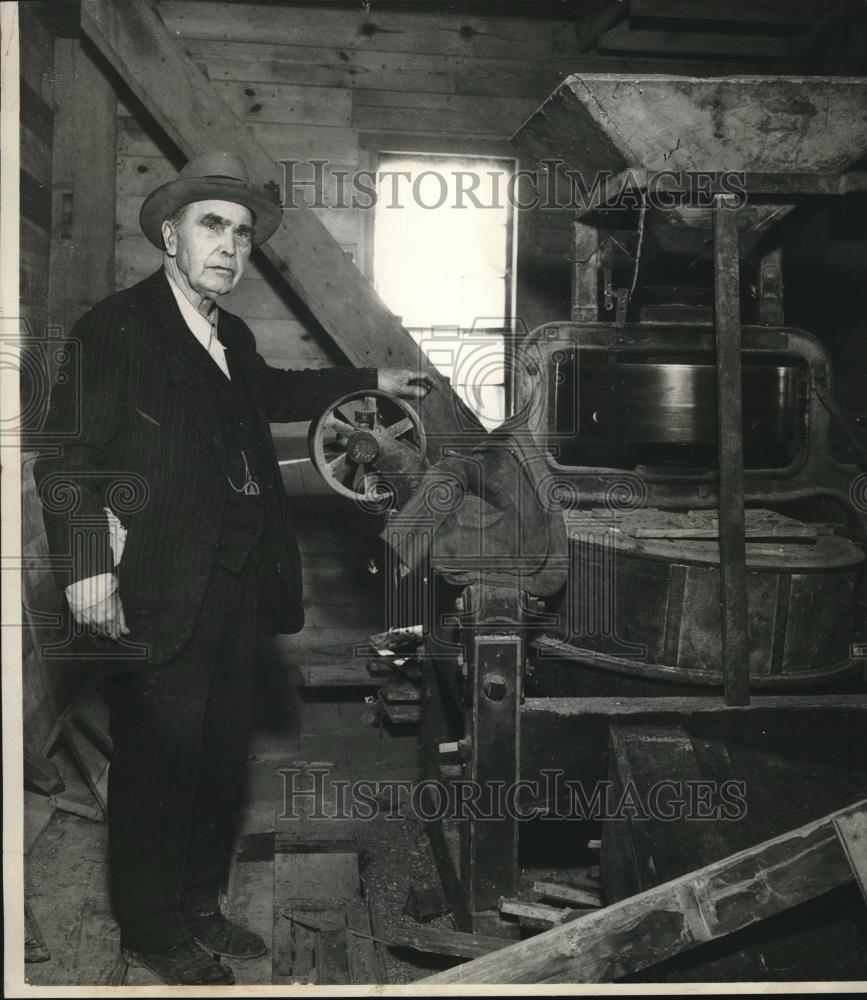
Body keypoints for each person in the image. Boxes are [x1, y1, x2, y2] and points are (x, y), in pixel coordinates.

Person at [34, 150, 427, 986]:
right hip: (158, 586)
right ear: (171, 234)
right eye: (213, 225)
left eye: (243, 233)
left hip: (239, 584)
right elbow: (66, 458)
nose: (230, 246)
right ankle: (149, 928)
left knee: (215, 757)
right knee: (157, 762)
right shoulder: (116, 328)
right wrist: (85, 571)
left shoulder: (229, 333)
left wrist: (371, 378)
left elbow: (275, 392)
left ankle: (198, 905)